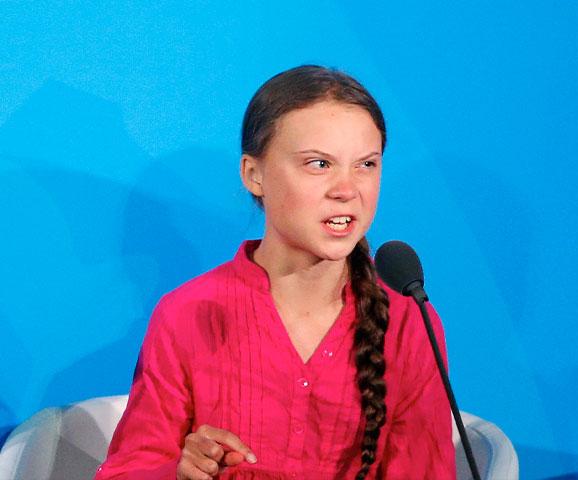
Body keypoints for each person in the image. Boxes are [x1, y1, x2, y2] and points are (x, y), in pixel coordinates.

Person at [95, 65, 455, 480]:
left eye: (366, 165)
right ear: (254, 174)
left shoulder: (410, 322)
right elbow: (126, 470)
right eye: (319, 164)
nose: (347, 189)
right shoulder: (186, 313)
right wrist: (178, 473)